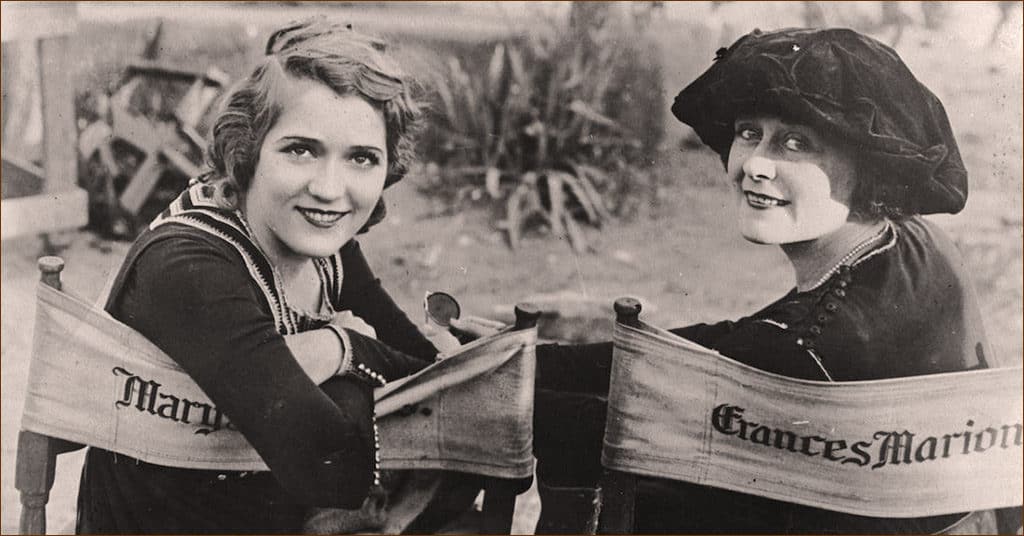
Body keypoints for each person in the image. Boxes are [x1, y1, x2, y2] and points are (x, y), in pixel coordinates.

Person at [484, 27, 1010, 534]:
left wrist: (471, 378)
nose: (757, 164)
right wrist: (518, 353)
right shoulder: (914, 247)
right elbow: (719, 346)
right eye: (749, 134)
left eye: (796, 143)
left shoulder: (801, 348)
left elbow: (616, 420)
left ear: (869, 166)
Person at [76, 17, 465, 534]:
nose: (330, 188)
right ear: (249, 150)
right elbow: (334, 471)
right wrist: (343, 345)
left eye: (362, 158)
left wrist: (333, 357)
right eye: (300, 149)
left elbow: (418, 360)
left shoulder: (317, 237)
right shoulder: (188, 267)